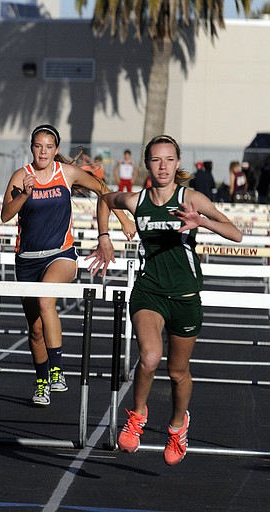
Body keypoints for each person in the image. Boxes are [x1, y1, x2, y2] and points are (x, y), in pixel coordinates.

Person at [86, 134, 242, 465]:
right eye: (156, 159)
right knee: (150, 356)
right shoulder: (135, 200)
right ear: (147, 164)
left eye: (169, 159)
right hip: (150, 291)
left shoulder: (192, 198)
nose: (163, 166)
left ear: (178, 163)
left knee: (177, 372)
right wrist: (105, 237)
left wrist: (200, 221)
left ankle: (177, 424)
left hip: (185, 297)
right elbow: (104, 199)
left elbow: (236, 233)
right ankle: (138, 415)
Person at [0, 124, 135, 407]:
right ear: (31, 148)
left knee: (46, 300)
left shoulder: (67, 174)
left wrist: (121, 221)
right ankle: (42, 382)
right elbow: (5, 215)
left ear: (56, 150)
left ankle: (58, 370)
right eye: (38, 146)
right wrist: (23, 195)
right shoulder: (20, 176)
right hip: (26, 260)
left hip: (61, 255)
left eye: (49, 147)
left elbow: (102, 190)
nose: (43, 152)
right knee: (35, 329)